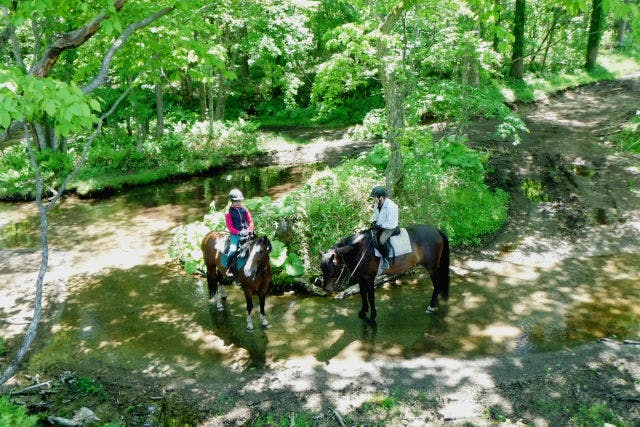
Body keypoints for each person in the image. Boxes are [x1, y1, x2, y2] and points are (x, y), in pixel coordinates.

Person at [225, 188, 254, 277]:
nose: (239, 203)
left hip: (247, 232)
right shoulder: (228, 213)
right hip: (235, 234)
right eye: (236, 201)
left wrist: (251, 228)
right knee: (233, 250)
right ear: (232, 201)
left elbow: (250, 220)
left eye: (240, 201)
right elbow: (230, 227)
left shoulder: (244, 209)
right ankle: (229, 268)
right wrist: (238, 233)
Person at [369, 186, 398, 270]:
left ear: (381, 197)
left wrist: (380, 226)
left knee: (381, 241)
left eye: (374, 197)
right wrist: (373, 221)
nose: (374, 199)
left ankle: (386, 260)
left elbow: (391, 223)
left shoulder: (391, 206)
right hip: (380, 225)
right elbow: (375, 215)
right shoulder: (377, 204)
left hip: (390, 227)